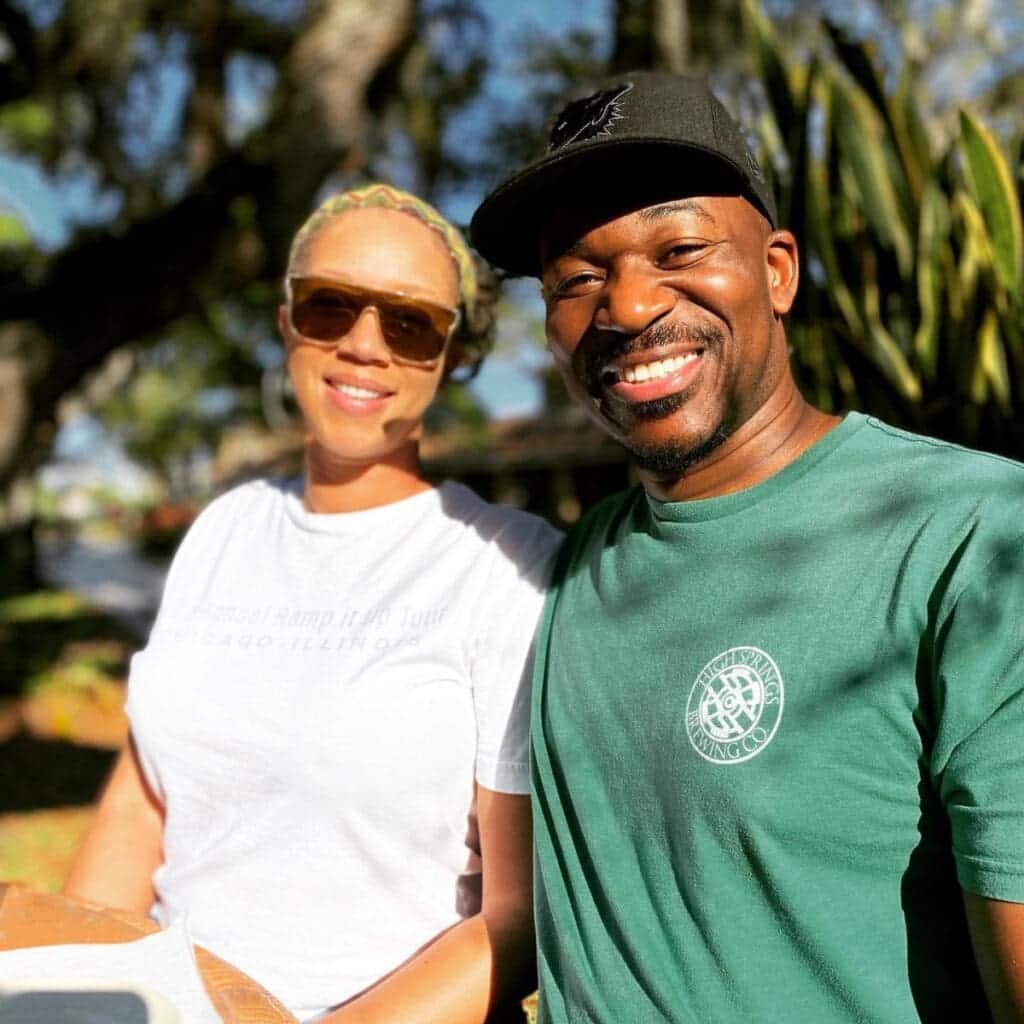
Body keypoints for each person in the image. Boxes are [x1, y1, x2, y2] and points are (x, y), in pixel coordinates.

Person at [469, 71, 1024, 1023]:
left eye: (679, 247)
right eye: (578, 278)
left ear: (776, 270)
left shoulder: (972, 536)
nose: (630, 306)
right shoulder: (559, 576)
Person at [65, 183, 562, 1023]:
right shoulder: (224, 528)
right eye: (331, 305)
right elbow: (141, 801)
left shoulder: (504, 565)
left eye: (410, 322)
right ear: (289, 321)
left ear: (452, 354)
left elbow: (516, 916)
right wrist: (73, 990)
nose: (365, 344)